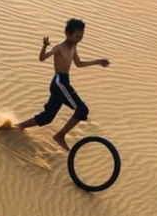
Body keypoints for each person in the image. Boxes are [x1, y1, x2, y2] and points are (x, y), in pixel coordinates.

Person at [15, 19, 110, 150]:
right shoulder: (60, 47)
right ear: (68, 34)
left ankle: (19, 126)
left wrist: (98, 61)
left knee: (47, 117)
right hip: (60, 83)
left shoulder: (73, 47)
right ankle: (59, 136)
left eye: (81, 36)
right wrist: (44, 46)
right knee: (82, 110)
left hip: (63, 83)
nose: (79, 39)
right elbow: (42, 58)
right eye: (77, 36)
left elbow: (78, 63)